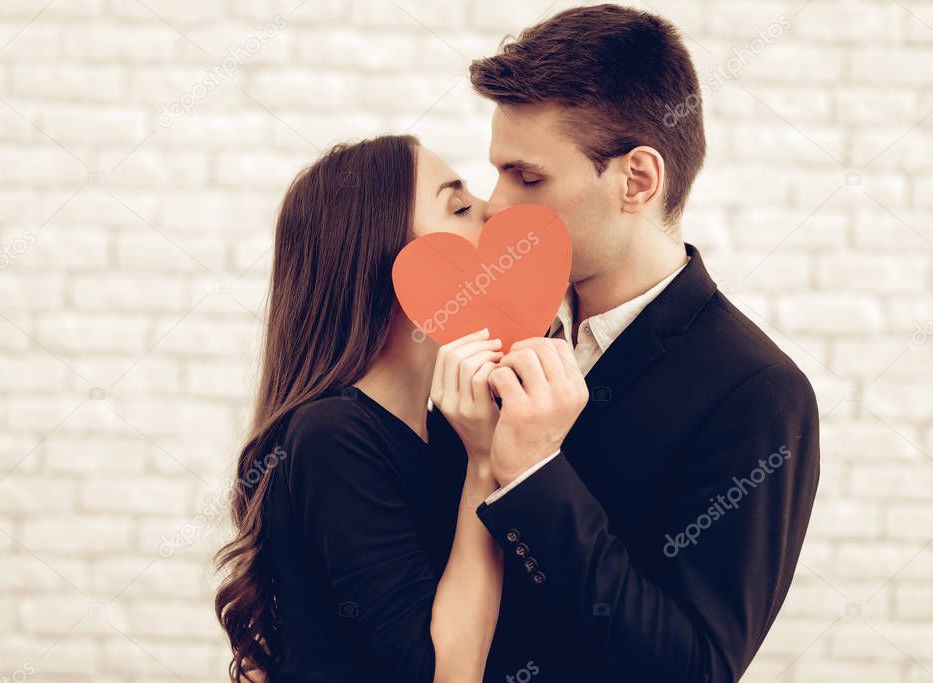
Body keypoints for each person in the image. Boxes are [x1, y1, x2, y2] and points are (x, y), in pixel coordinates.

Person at [463, 5, 821, 682]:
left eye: (527, 177)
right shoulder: (487, 327)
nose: (493, 205)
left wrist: (536, 474)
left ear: (636, 180)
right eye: (496, 172)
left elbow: (691, 668)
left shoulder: (757, 394)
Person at [214, 134, 533, 682]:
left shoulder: (449, 431)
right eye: (457, 206)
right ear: (388, 261)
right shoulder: (331, 436)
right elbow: (443, 675)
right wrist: (486, 466)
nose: (492, 208)